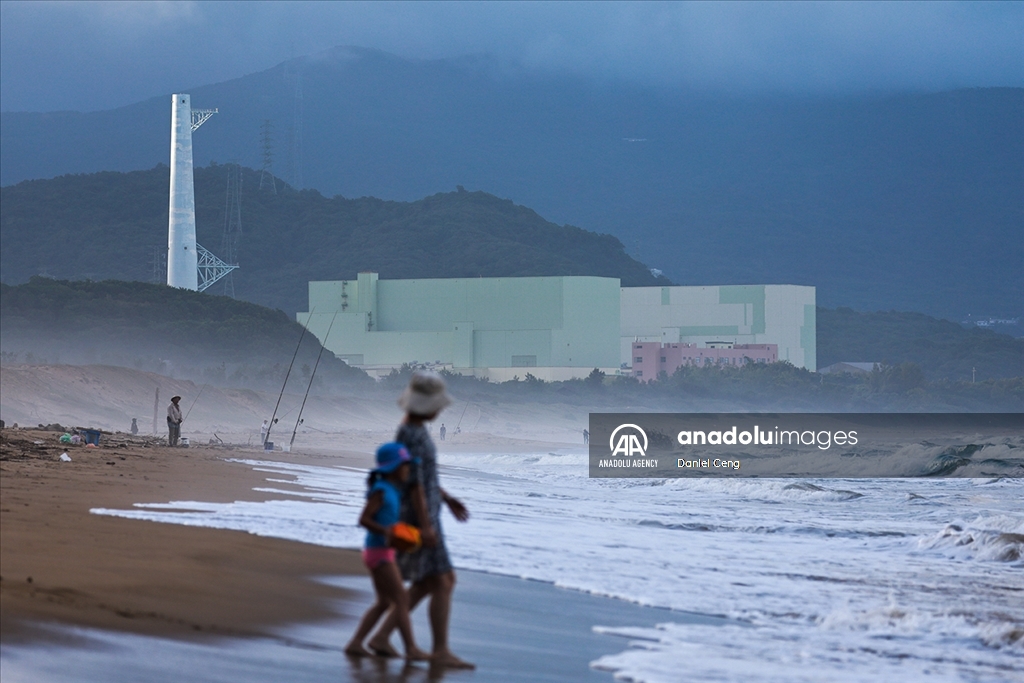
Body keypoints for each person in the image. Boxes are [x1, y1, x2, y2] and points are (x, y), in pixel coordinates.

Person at [368, 371, 474, 669]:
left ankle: (382, 637)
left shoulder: (416, 430)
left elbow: (425, 477)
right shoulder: (410, 434)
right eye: (437, 404)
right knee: (442, 579)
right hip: (419, 516)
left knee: (431, 582)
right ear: (425, 404)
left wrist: (447, 498)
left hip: (427, 512)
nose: (440, 409)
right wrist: (426, 526)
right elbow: (413, 483)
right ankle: (439, 650)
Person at [345, 443, 432, 662]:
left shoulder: (393, 490)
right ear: (392, 467)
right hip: (378, 552)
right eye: (404, 466)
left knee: (385, 602)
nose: (407, 470)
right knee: (401, 598)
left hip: (383, 551)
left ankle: (357, 643)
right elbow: (363, 519)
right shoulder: (381, 489)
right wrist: (387, 531)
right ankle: (411, 648)